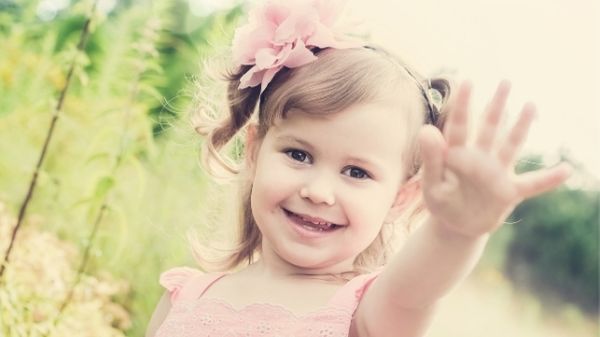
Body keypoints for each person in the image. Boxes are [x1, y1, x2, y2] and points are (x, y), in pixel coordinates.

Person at [146, 1, 571, 336]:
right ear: (254, 151)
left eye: (357, 173)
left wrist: (458, 231)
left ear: (401, 197)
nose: (318, 191)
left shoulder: (368, 312)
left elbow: (417, 291)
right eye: (298, 154)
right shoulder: (185, 297)